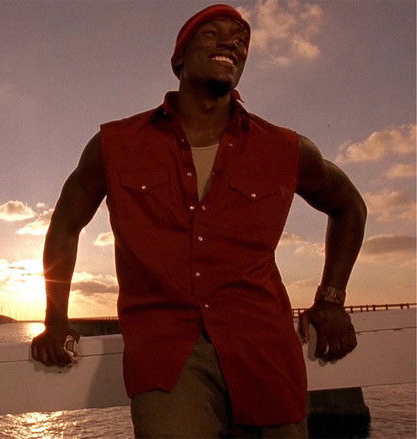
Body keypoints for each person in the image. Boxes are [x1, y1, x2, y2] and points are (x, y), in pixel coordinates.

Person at [31, 4, 366, 438]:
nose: (231, 43)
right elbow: (65, 224)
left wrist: (332, 299)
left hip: (264, 350)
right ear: (179, 57)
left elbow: (349, 205)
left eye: (240, 40)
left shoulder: (284, 148)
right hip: (167, 355)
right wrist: (56, 318)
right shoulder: (116, 144)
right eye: (212, 33)